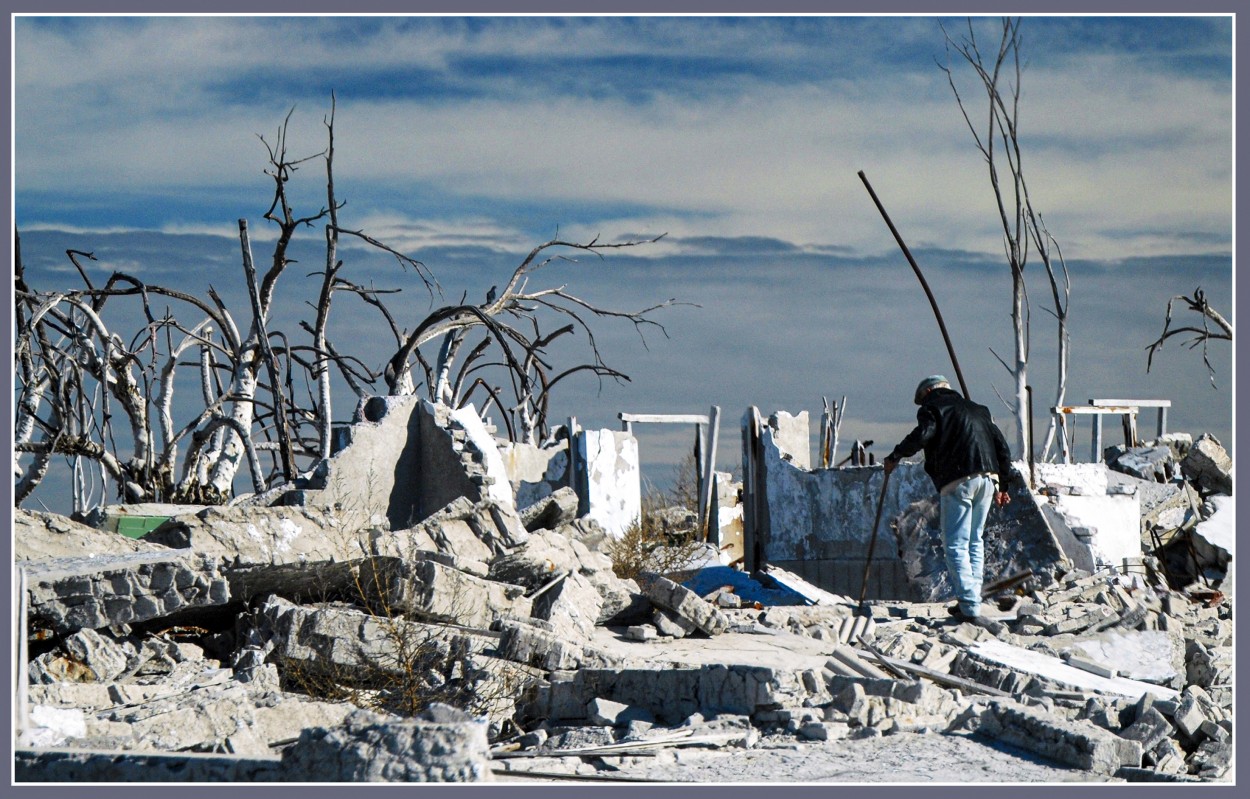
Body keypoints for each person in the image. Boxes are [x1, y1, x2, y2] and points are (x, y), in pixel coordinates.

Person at [882, 375, 1018, 626]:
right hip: (989, 479)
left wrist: (896, 454)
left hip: (959, 479)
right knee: (975, 542)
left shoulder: (932, 408)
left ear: (928, 392)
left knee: (955, 544)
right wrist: (1004, 485)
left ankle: (969, 606)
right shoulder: (979, 410)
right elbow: (1002, 448)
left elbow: (924, 434)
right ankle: (972, 599)